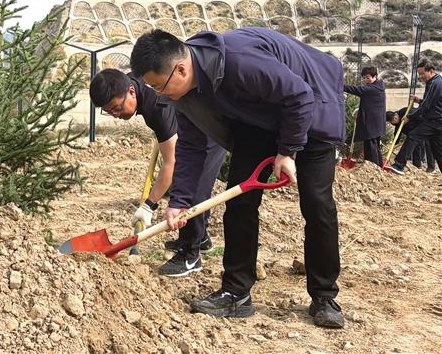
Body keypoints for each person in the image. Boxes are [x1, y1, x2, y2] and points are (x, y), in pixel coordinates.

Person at [130, 27, 346, 329]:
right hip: (257, 122)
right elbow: (191, 147)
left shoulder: (239, 60)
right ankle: (236, 293)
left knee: (317, 204)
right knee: (239, 204)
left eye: (158, 86)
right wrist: (179, 201)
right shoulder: (184, 94)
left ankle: (324, 297)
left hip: (311, 113)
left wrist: (287, 151)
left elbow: (299, 95)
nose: (158, 94)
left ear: (180, 69)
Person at [89, 68, 225, 277]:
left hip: (211, 129)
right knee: (182, 183)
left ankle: (190, 255)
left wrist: (149, 204)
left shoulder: (157, 108)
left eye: (117, 108)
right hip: (190, 121)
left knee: (192, 187)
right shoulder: (131, 82)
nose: (116, 115)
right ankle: (200, 237)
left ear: (131, 92)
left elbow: (173, 162)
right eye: (109, 111)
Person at [388, 59, 442, 176]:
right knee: (438, 151)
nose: (420, 76)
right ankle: (399, 164)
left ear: (431, 71)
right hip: (437, 121)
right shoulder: (433, 82)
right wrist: (419, 100)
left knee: (413, 136)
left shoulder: (436, 84)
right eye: (419, 74)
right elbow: (432, 102)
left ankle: (399, 165)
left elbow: (427, 106)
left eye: (422, 73)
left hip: (434, 121)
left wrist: (410, 116)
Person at [343, 66, 386, 167]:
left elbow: (355, 89)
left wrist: (339, 85)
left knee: (371, 146)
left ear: (375, 76)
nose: (365, 80)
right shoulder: (378, 86)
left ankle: (373, 167)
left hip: (372, 123)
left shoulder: (372, 89)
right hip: (376, 122)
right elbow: (371, 103)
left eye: (368, 77)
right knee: (374, 145)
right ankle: (378, 166)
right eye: (364, 78)